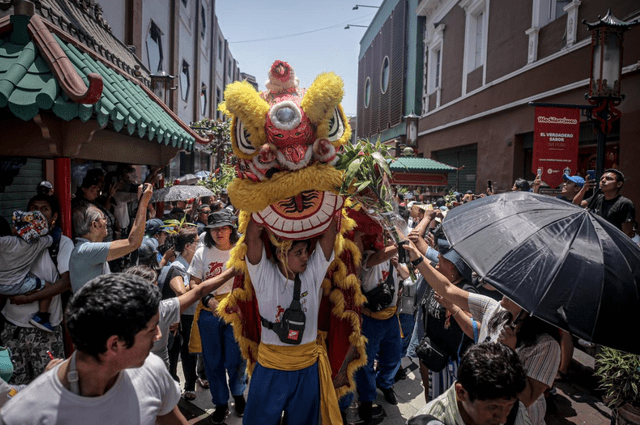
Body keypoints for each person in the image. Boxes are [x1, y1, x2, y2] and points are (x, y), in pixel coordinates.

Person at [405, 241, 561, 425]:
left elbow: (525, 399)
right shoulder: (493, 310)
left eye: (514, 285)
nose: (504, 285)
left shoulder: (547, 346)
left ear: (531, 301)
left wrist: (509, 354)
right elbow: (447, 288)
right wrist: (417, 258)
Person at [0, 273, 189, 425]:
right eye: (150, 329)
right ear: (114, 344)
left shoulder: (153, 371)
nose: (158, 335)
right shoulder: (24, 416)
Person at [241, 212, 339, 425]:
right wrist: (266, 204)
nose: (306, 257)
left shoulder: (311, 274)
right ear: (281, 253)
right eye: (299, 252)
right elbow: (252, 237)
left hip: (306, 368)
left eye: (306, 251)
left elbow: (329, 234)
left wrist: (325, 204)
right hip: (271, 369)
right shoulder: (264, 275)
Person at [1, 195, 72, 384]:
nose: (38, 213)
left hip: (45, 332)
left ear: (54, 216)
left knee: (49, 385)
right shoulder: (14, 240)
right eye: (34, 208)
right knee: (13, 388)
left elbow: (66, 282)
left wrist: (28, 299)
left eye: (44, 209)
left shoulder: (61, 243)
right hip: (12, 327)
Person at [187, 210, 247, 424]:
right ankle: (220, 403)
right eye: (214, 229)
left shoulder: (241, 251)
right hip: (209, 314)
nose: (219, 233)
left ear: (231, 229)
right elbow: (194, 282)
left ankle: (239, 394)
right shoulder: (202, 253)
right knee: (213, 361)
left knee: (236, 359)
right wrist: (209, 301)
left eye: (223, 228)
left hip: (236, 313)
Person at [354, 234, 410, 422]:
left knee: (394, 358)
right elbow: (378, 258)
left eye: (389, 238)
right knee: (366, 362)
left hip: (391, 319)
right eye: (383, 238)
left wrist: (396, 263)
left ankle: (385, 383)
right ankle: (367, 399)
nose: (387, 241)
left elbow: (407, 275)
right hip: (371, 321)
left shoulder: (393, 258)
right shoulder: (369, 255)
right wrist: (401, 245)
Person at [408, 342, 530, 425]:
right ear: (461, 393)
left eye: (509, 406)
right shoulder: (430, 420)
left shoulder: (511, 405)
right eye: (493, 407)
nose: (503, 419)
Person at [68, 183, 153, 292]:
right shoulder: (86, 250)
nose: (106, 221)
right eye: (103, 218)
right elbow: (133, 243)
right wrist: (143, 204)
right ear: (95, 225)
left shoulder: (87, 249)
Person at [164, 227, 207, 400]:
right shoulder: (177, 267)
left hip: (198, 311)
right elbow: (181, 294)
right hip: (185, 316)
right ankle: (189, 385)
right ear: (188, 246)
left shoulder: (196, 262)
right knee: (187, 352)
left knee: (199, 349)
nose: (200, 245)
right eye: (197, 242)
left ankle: (200, 376)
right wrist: (199, 283)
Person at [0, 210, 58, 332]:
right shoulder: (38, 243)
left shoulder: (7, 242)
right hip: (19, 285)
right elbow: (54, 237)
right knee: (48, 286)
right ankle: (42, 316)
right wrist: (53, 229)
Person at [574, 169, 636, 237]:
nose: (603, 181)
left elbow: (627, 234)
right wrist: (584, 188)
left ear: (619, 184)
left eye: (609, 179)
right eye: (601, 179)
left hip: (613, 244)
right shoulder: (597, 198)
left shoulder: (625, 203)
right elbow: (575, 204)